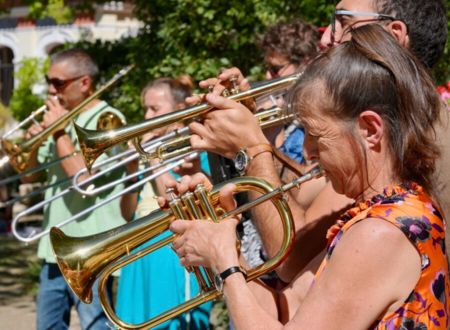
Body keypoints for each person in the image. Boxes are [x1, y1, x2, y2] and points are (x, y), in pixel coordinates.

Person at [170, 24, 450, 329]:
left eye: (316, 135)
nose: (307, 151)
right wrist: (223, 241)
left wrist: (223, 261)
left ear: (370, 129)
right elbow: (283, 309)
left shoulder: (383, 230)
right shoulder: (374, 216)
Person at [23, 49, 127, 330]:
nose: (50, 90)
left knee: (96, 327)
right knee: (48, 326)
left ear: (84, 83)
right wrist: (30, 144)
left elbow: (83, 179)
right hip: (53, 249)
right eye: (49, 81)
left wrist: (57, 132)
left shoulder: (109, 119)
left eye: (58, 83)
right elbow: (27, 175)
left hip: (92, 249)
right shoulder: (60, 118)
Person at [116, 76, 212, 329]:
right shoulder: (147, 150)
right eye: (146, 108)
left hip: (171, 251)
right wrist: (131, 170)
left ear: (179, 109)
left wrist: (153, 161)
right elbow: (127, 213)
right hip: (138, 247)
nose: (147, 116)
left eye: (155, 109)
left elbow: (175, 200)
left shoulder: (195, 144)